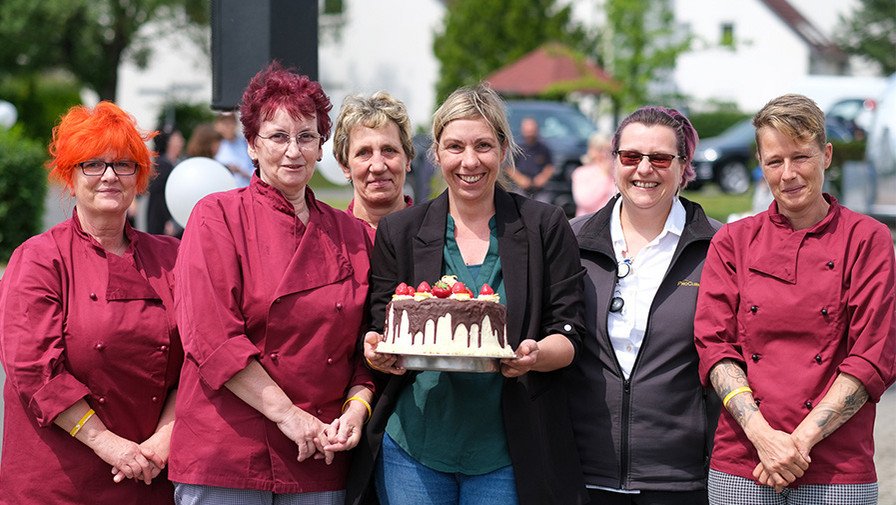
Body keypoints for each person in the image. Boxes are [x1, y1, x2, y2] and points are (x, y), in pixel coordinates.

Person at [347, 83, 588, 505]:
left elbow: (569, 332)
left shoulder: (544, 226)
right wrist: (376, 350)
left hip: (508, 450)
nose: (470, 161)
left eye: (483, 145)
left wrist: (534, 354)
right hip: (415, 449)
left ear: (504, 149)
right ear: (436, 154)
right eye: (455, 146)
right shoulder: (401, 231)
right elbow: (381, 325)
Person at [168, 61, 375, 505]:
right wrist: (287, 415)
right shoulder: (217, 217)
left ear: (322, 148)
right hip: (228, 452)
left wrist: (357, 409)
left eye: (306, 137)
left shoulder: (354, 235)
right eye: (278, 137)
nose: (293, 151)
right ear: (251, 146)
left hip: (320, 453)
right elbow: (209, 336)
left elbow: (369, 343)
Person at [695, 94, 896, 505]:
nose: (788, 174)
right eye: (774, 161)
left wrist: (796, 444)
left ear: (826, 155)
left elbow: (872, 355)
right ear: (760, 163)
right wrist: (763, 437)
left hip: (837, 470)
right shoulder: (733, 241)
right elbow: (715, 346)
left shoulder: (867, 239)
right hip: (744, 463)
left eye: (800, 157)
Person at [0, 102, 182, 504]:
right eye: (92, 164)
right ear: (69, 175)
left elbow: (199, 358)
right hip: (59, 481)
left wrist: (163, 441)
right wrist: (109, 444)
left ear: (139, 177)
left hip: (151, 475)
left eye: (124, 165)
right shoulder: (39, 259)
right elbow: (34, 371)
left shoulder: (172, 257)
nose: (109, 177)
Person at [566, 106, 721, 505]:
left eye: (661, 158)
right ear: (613, 161)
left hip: (679, 479)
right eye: (631, 156)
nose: (644, 169)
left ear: (683, 166)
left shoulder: (720, 247)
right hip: (584, 472)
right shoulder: (568, 241)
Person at [332, 91, 414, 239]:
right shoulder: (330, 240)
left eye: (389, 150)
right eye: (364, 152)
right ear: (344, 165)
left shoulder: (437, 236)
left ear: (408, 159)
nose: (378, 166)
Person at [146, 125, 185, 235]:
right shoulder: (163, 165)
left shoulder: (175, 163)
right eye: (178, 137)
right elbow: (158, 196)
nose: (182, 140)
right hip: (164, 223)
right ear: (169, 142)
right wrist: (169, 220)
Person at [509, 117, 555, 202]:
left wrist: (543, 178)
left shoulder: (544, 148)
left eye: (532, 131)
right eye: (527, 131)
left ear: (537, 130)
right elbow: (509, 167)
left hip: (540, 188)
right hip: (521, 187)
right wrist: (520, 179)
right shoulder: (517, 148)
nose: (529, 134)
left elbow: (550, 166)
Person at [571, 132, 616, 216]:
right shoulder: (581, 172)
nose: (604, 154)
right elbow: (585, 201)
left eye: (608, 150)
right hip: (588, 222)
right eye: (600, 150)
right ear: (591, 151)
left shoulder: (617, 172)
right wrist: (604, 175)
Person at [213, 112, 255, 186]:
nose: (228, 127)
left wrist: (240, 171)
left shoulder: (245, 143)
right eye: (225, 123)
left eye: (231, 122)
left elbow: (255, 170)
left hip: (245, 187)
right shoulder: (215, 144)